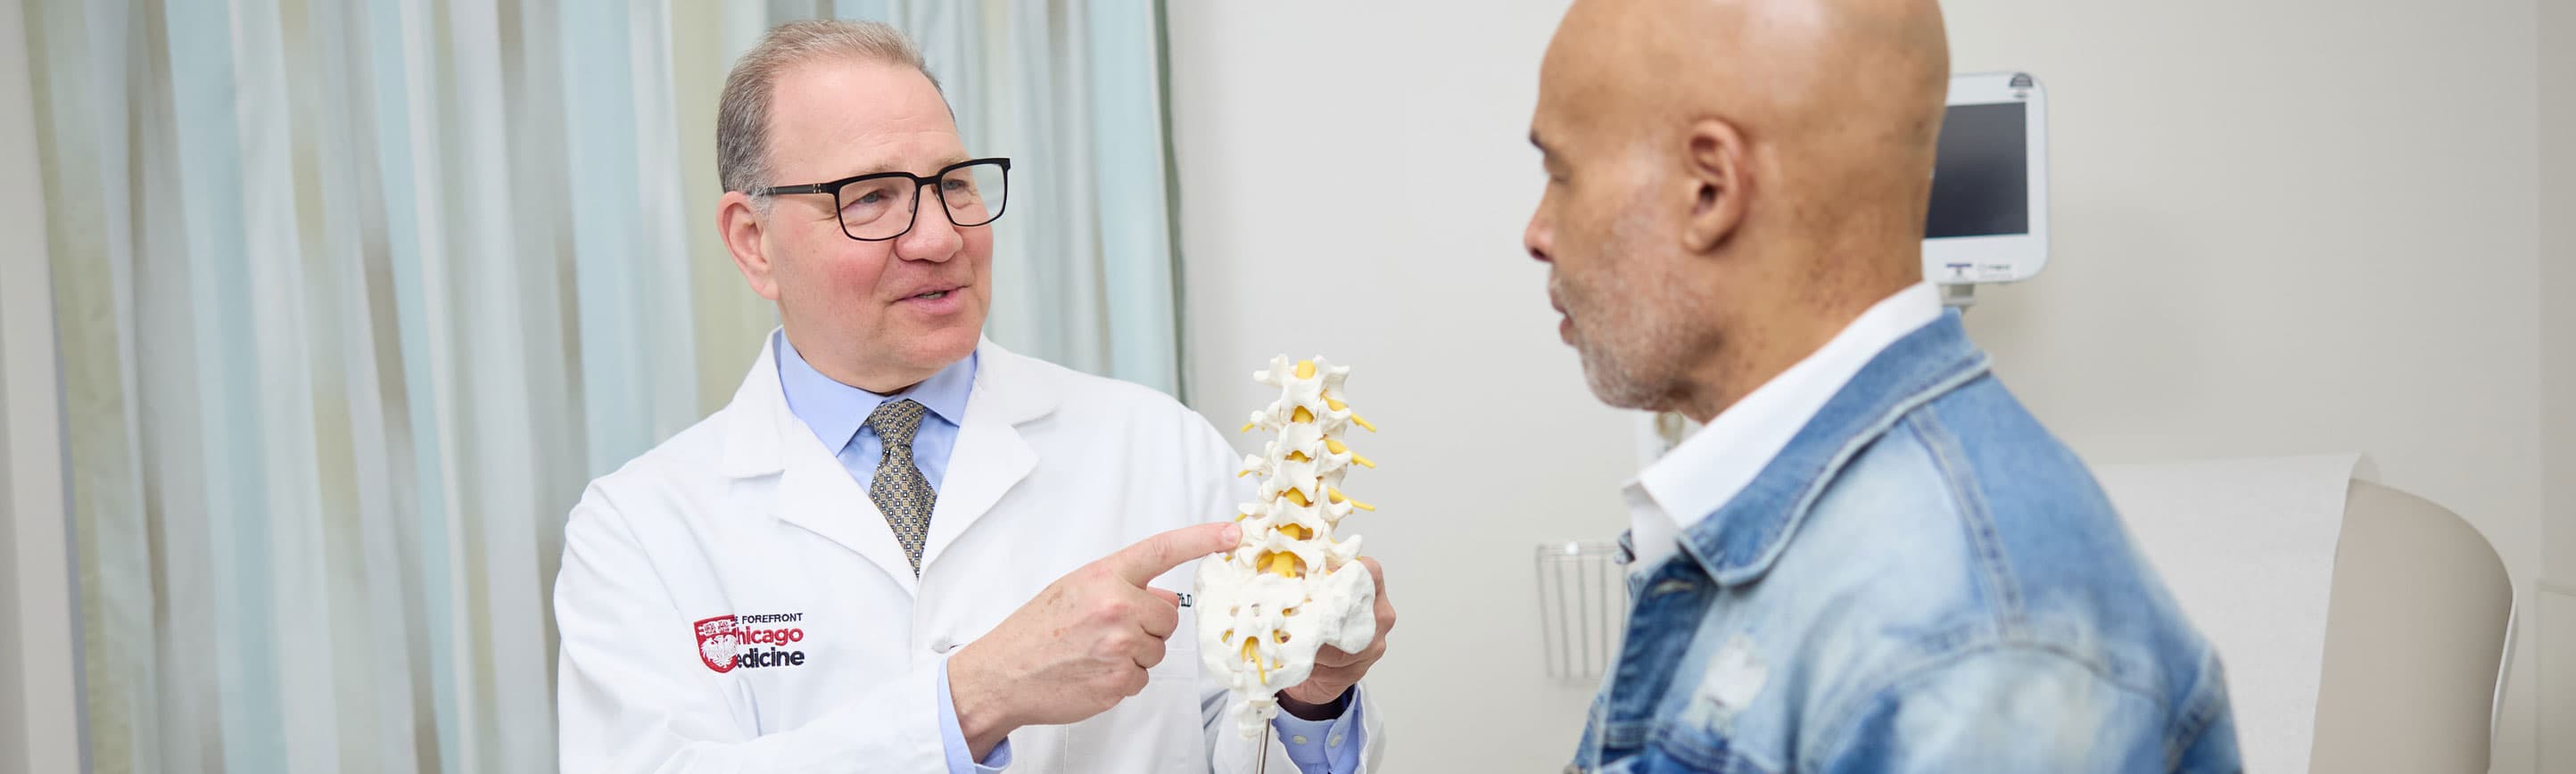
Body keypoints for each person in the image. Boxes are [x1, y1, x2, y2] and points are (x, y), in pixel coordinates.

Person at [553, 20, 1391, 773]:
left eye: (953, 182)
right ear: (753, 242)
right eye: (871, 197)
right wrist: (973, 697)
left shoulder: (1159, 447)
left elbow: (1242, 749)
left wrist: (1308, 697)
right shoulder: (638, 532)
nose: (940, 237)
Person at [1522, 0, 2240, 770]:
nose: (1538, 232)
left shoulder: (1963, 641)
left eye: (1560, 173)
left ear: (1710, 188)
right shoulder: (1743, 531)